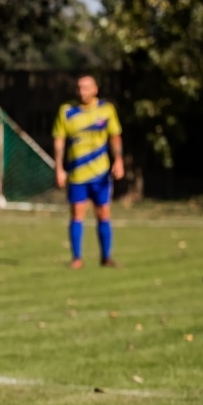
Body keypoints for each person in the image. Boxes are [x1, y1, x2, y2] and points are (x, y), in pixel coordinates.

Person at [52, 74, 124, 268]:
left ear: (95, 89)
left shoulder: (106, 110)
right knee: (77, 214)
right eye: (79, 88)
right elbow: (59, 140)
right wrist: (59, 168)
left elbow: (115, 137)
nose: (81, 91)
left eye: (85, 88)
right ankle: (77, 258)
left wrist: (118, 160)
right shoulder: (67, 111)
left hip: (101, 173)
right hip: (77, 174)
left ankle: (106, 257)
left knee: (103, 213)